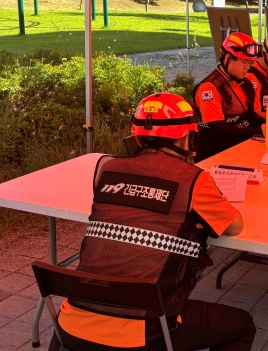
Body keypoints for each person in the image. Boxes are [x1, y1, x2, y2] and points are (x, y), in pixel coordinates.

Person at [49, 92, 255, 351]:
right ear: (185, 137)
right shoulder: (193, 180)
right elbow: (235, 226)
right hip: (143, 333)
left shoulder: (106, 168)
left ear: (138, 136)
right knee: (242, 326)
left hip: (70, 326)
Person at [193, 32, 265, 162]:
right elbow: (217, 129)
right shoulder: (209, 88)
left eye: (250, 63)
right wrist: (258, 131)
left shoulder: (245, 83)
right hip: (214, 156)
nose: (247, 68)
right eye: (244, 62)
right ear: (227, 58)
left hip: (240, 149)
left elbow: (249, 115)